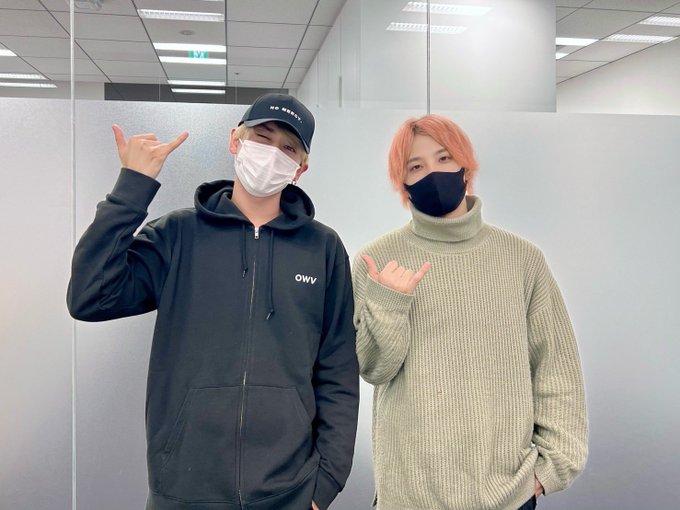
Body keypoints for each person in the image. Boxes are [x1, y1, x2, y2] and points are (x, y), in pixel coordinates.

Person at [67, 93, 360, 510]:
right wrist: (131, 189)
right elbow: (90, 297)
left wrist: (326, 482)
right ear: (235, 141)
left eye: (288, 148)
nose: (272, 154)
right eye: (262, 138)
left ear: (301, 168)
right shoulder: (178, 235)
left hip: (289, 492)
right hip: (183, 489)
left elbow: (338, 368)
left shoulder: (323, 248)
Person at [353, 115, 587, 510]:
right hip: (408, 497)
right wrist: (390, 304)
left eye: (444, 158)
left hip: (507, 497)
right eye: (415, 166)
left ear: (466, 166)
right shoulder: (376, 262)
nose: (433, 173)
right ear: (402, 183)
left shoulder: (522, 260)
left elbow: (556, 368)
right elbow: (374, 369)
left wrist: (550, 469)